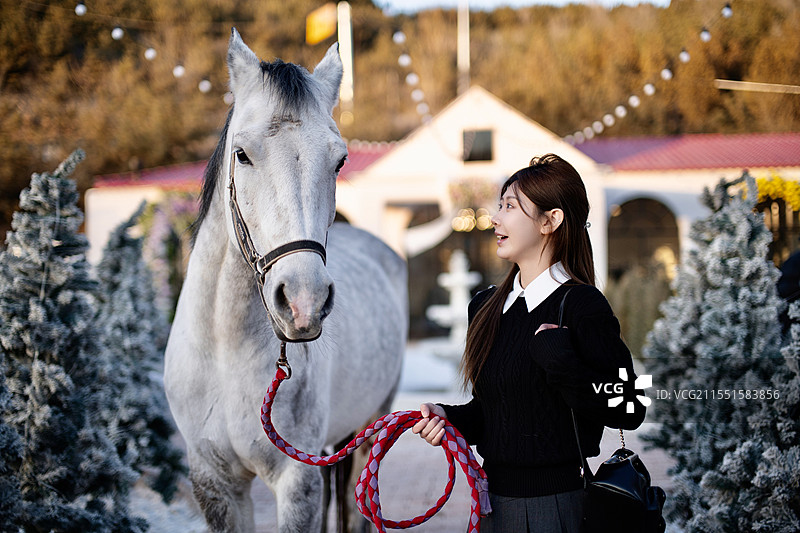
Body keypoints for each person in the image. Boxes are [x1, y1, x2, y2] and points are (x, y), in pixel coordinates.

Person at [412, 154, 646, 533]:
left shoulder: (583, 305)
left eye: (509, 206)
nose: (496, 217)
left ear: (550, 221)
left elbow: (632, 405)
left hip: (558, 508)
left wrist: (562, 362)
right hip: (492, 505)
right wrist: (449, 418)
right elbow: (495, 413)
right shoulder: (485, 306)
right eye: (499, 205)